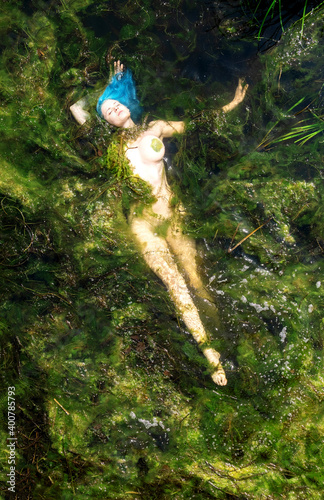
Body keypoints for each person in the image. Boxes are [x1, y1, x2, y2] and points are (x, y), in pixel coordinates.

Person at [70, 60, 248, 385]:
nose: (113, 109)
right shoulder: (110, 146)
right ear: (103, 119)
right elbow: (76, 109)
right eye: (106, 110)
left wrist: (233, 104)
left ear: (126, 98)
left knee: (195, 280)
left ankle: (222, 336)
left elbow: (198, 124)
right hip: (144, 224)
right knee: (175, 285)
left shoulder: (155, 127)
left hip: (174, 213)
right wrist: (103, 86)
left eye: (116, 101)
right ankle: (210, 353)